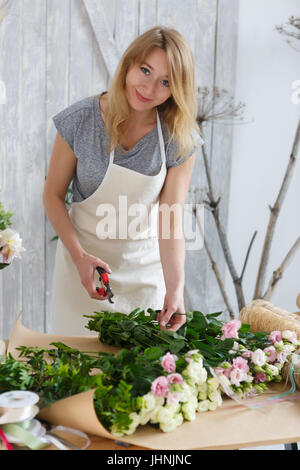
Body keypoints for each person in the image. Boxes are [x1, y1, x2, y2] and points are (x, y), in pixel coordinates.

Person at [43, 26, 204, 336]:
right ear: (129, 64)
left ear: (175, 90)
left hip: (142, 277)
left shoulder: (178, 139)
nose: (149, 87)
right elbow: (52, 195)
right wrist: (79, 258)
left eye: (165, 82)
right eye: (145, 70)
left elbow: (170, 220)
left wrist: (176, 288)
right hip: (81, 271)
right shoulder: (80, 120)